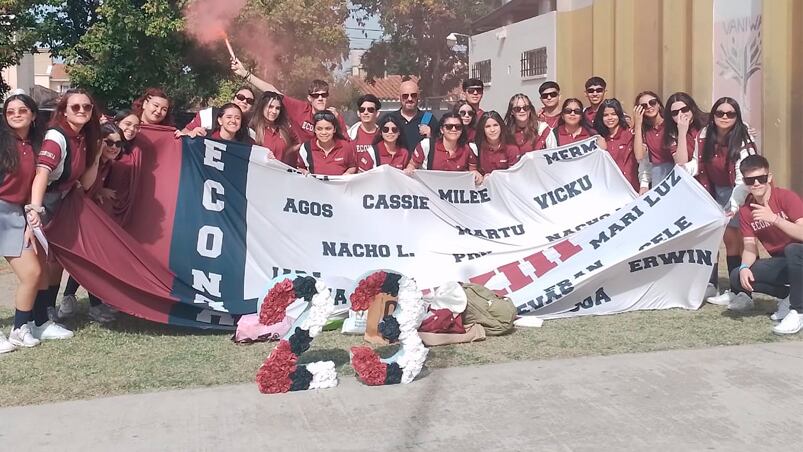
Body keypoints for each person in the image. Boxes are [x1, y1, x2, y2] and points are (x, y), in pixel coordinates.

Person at [27, 88, 102, 340]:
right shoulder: (56, 137)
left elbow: (87, 182)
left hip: (63, 201)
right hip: (46, 201)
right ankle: (37, 318)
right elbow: (41, 174)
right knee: (42, 262)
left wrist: (98, 154)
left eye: (87, 107)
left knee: (55, 260)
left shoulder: (82, 137)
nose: (82, 111)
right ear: (64, 111)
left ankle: (45, 313)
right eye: (76, 107)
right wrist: (35, 209)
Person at [727, 155, 803, 335]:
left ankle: (799, 310)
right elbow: (749, 247)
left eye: (761, 179)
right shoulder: (747, 211)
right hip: (783, 262)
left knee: (792, 250)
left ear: (769, 177)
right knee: (737, 276)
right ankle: (789, 296)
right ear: (744, 182)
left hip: (799, 255)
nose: (756, 184)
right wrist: (745, 266)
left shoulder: (786, 197)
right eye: (750, 180)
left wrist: (774, 219)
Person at [58, 123, 126, 323]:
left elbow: (91, 187)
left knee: (93, 261)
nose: (114, 147)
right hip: (72, 216)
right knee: (91, 260)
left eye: (118, 143)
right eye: (109, 142)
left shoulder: (108, 165)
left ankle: (76, 300)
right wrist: (96, 156)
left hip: (86, 215)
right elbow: (84, 184)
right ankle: (80, 303)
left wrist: (100, 191)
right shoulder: (91, 159)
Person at [697, 98, 758, 305]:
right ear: (713, 116)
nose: (724, 117)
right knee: (730, 243)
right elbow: (699, 165)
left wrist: (733, 205)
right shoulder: (705, 136)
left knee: (743, 244)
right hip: (716, 192)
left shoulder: (743, 139)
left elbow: (745, 178)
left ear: (737, 117)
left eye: (730, 114)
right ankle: (734, 289)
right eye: (720, 113)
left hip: (741, 192)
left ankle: (744, 293)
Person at [0, 94, 44, 352]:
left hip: (17, 213)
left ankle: (19, 329)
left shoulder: (37, 146)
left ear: (33, 115)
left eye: (22, 110)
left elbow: (34, 187)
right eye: (10, 111)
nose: (16, 114)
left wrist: (30, 222)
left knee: (33, 273)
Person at [230, 59, 347, 143]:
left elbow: (346, 142)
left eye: (324, 95)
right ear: (309, 98)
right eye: (316, 95)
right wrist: (245, 74)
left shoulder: (334, 117)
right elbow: (273, 91)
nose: (320, 98)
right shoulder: (300, 109)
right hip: (299, 167)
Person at [411, 112, 481, 184]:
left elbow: (473, 171)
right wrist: (409, 172)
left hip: (455, 191)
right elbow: (412, 166)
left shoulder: (468, 149)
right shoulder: (426, 145)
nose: (453, 129)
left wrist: (477, 176)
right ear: (442, 130)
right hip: (429, 191)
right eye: (449, 126)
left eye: (458, 127)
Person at [594, 99, 638, 191]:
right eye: (606, 115)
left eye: (613, 114)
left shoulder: (630, 134)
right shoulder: (599, 139)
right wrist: (602, 151)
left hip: (631, 187)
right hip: (610, 189)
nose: (610, 118)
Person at [178, 87, 255, 138]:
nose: (244, 101)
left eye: (249, 101)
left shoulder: (249, 134)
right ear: (233, 99)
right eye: (240, 97)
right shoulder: (209, 115)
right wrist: (191, 135)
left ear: (252, 107)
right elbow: (182, 135)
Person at [297, 111, 357, 176]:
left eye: (328, 129)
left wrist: (348, 173)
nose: (324, 132)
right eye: (319, 129)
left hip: (339, 186)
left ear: (334, 129)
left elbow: (352, 166)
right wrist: (304, 172)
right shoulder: (306, 147)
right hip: (314, 185)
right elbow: (300, 168)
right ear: (314, 130)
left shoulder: (345, 146)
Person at [388, 78, 439, 151]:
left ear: (418, 96)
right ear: (399, 97)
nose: (409, 99)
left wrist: (430, 136)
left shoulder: (428, 118)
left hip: (421, 162)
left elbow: (440, 147)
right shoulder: (391, 119)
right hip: (397, 162)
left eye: (413, 95)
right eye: (405, 96)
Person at [250, 91, 297, 166]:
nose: (274, 111)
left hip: (281, 174)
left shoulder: (284, 128)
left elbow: (299, 144)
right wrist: (262, 156)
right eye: (270, 107)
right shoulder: (252, 129)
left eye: (277, 108)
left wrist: (287, 153)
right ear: (262, 106)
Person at [475, 111, 520, 180]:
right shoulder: (478, 147)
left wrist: (493, 177)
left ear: (501, 126)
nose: (492, 130)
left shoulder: (512, 149)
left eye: (495, 125)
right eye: (487, 126)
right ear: (482, 129)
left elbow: (514, 176)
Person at [632, 91, 665, 186]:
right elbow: (640, 156)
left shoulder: (669, 124)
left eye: (652, 102)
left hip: (676, 173)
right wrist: (638, 124)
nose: (649, 106)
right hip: (658, 177)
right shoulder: (644, 131)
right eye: (644, 105)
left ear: (658, 104)